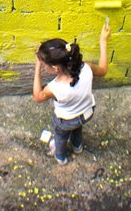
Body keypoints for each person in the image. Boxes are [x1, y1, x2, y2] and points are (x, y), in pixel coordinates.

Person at [33, 21, 111, 165]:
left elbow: (37, 97)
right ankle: (77, 147)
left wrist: (37, 69)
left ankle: (61, 157)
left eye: (44, 65)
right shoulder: (86, 67)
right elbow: (103, 69)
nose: (43, 67)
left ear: (55, 69)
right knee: (77, 130)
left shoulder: (54, 88)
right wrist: (103, 40)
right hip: (86, 113)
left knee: (61, 138)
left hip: (66, 121)